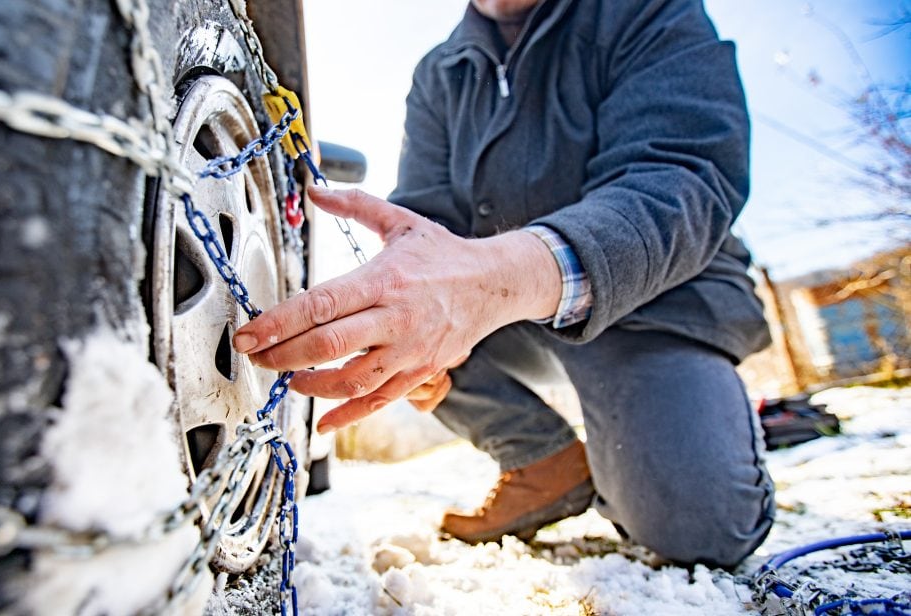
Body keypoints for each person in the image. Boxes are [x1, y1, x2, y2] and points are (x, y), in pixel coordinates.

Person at [233, 0, 775, 567]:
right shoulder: (440, 72)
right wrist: (416, 337)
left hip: (655, 303)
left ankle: (671, 430)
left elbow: (680, 178)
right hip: (509, 321)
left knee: (695, 527)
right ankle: (538, 457)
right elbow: (427, 222)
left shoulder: (645, 12)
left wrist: (490, 283)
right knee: (396, 317)